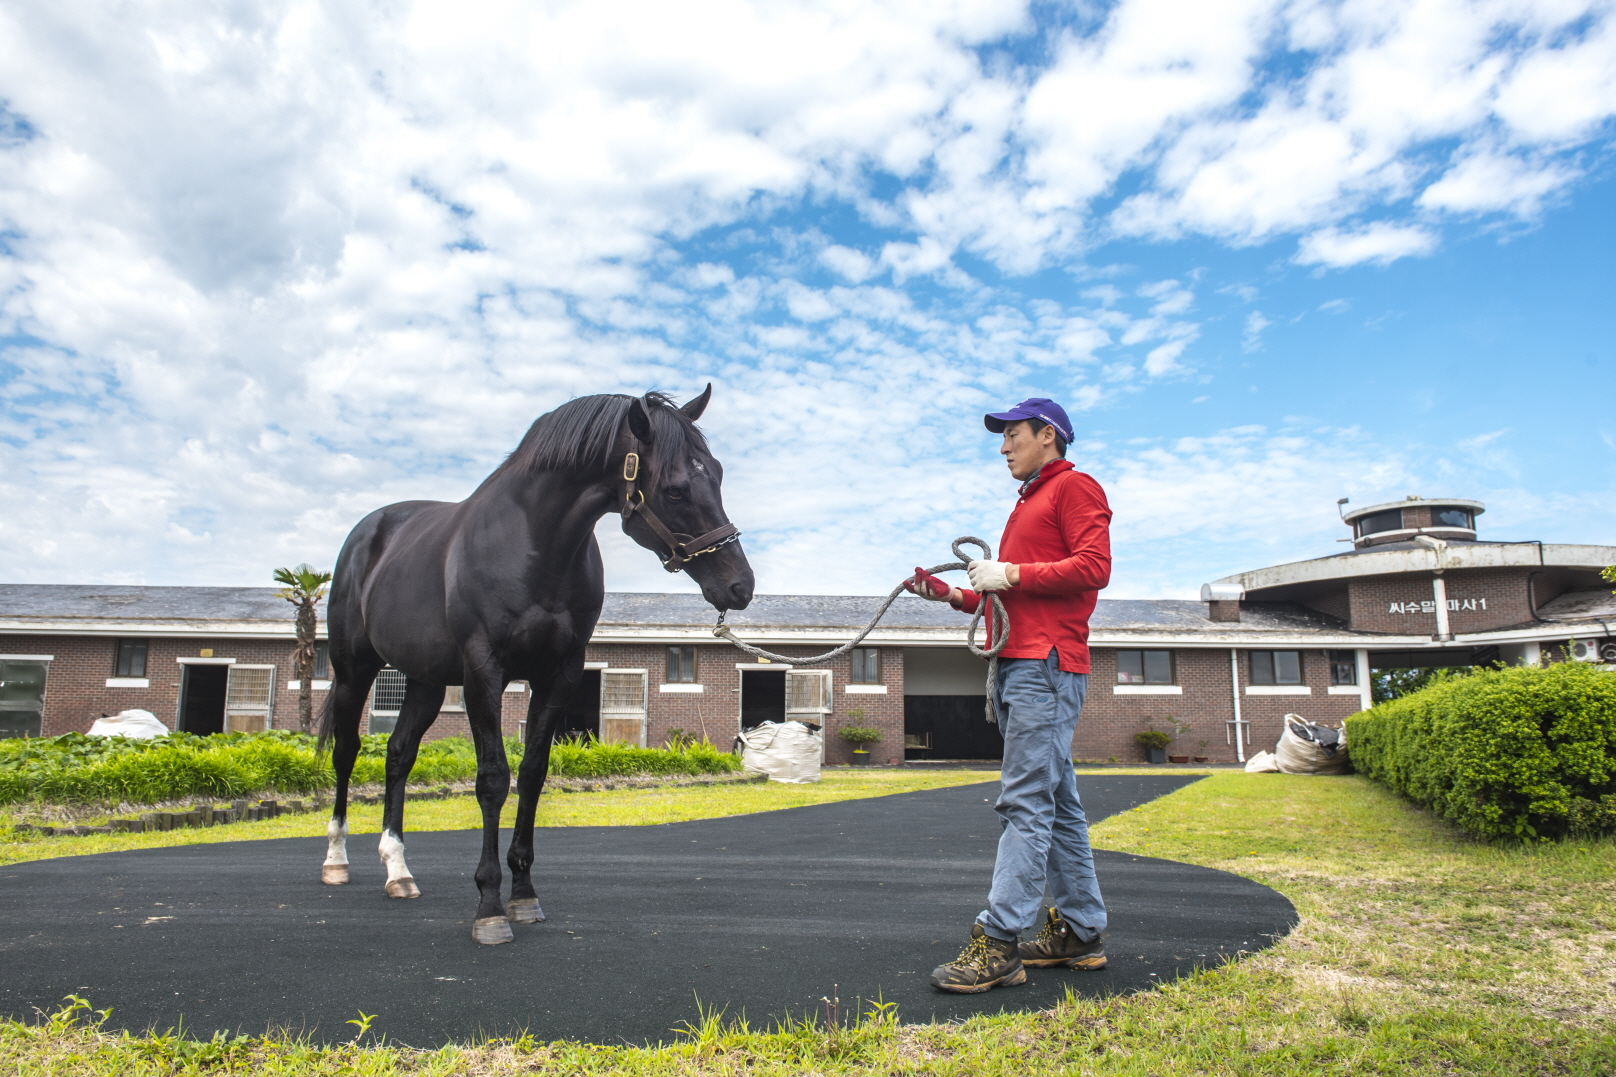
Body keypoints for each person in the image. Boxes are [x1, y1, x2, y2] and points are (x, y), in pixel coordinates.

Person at [904, 396, 1112, 993]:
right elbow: (1007, 596)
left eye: (1012, 434)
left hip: (1044, 667)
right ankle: (1080, 931)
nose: (1003, 447)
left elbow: (1094, 566)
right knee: (1059, 806)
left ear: (1048, 435)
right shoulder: (1029, 503)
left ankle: (999, 942)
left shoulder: (1076, 488)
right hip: (1025, 665)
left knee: (1025, 803)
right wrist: (952, 595)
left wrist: (1012, 572)